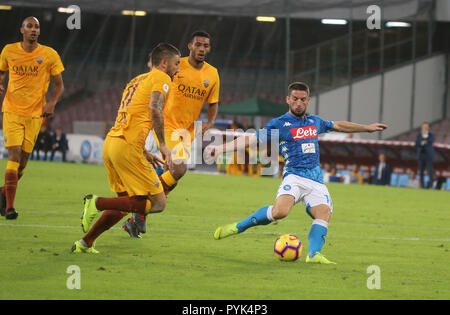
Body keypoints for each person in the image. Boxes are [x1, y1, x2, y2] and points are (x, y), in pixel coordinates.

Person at [206, 82, 387, 264]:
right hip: (294, 176)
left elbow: (339, 125)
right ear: (288, 100)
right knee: (280, 212)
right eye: (294, 99)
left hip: (316, 180)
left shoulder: (314, 122)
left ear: (308, 101)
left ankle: (313, 254)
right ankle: (238, 227)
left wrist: (367, 128)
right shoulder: (279, 124)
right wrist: (221, 148)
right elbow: (252, 140)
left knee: (323, 213)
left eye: (302, 99)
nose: (298, 103)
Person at [71, 43, 180, 253]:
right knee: (158, 203)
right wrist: (163, 146)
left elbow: (130, 115)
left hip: (112, 143)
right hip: (127, 148)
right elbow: (154, 110)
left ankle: (85, 243)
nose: (177, 68)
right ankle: (96, 202)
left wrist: (144, 151)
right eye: (176, 63)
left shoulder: (136, 80)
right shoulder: (162, 78)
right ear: (164, 63)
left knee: (127, 203)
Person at [122, 30, 220, 238]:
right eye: (198, 45)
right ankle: (143, 207)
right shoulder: (176, 64)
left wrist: (210, 122)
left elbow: (213, 103)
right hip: (167, 125)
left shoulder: (212, 74)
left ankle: (139, 211)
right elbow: (156, 80)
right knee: (179, 167)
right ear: (190, 46)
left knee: (173, 171)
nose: (202, 49)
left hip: (187, 131)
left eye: (206, 46)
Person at [0, 16, 65, 219]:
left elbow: (59, 85)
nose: (34, 30)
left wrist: (52, 102)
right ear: (22, 30)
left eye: (37, 26)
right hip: (12, 111)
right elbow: (1, 72)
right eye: (30, 26)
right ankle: (9, 207)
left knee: (22, 165)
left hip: (35, 115)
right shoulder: (9, 50)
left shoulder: (49, 54)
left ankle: (3, 193)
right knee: (14, 155)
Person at [415, 121, 435, 189]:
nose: (425, 127)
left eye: (426, 126)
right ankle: (422, 186)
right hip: (421, 155)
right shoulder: (419, 135)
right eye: (424, 126)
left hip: (428, 155)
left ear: (428, 127)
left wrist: (423, 142)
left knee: (430, 171)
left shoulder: (431, 135)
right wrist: (424, 142)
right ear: (422, 127)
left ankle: (430, 185)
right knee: (421, 172)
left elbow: (430, 141)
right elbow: (417, 143)